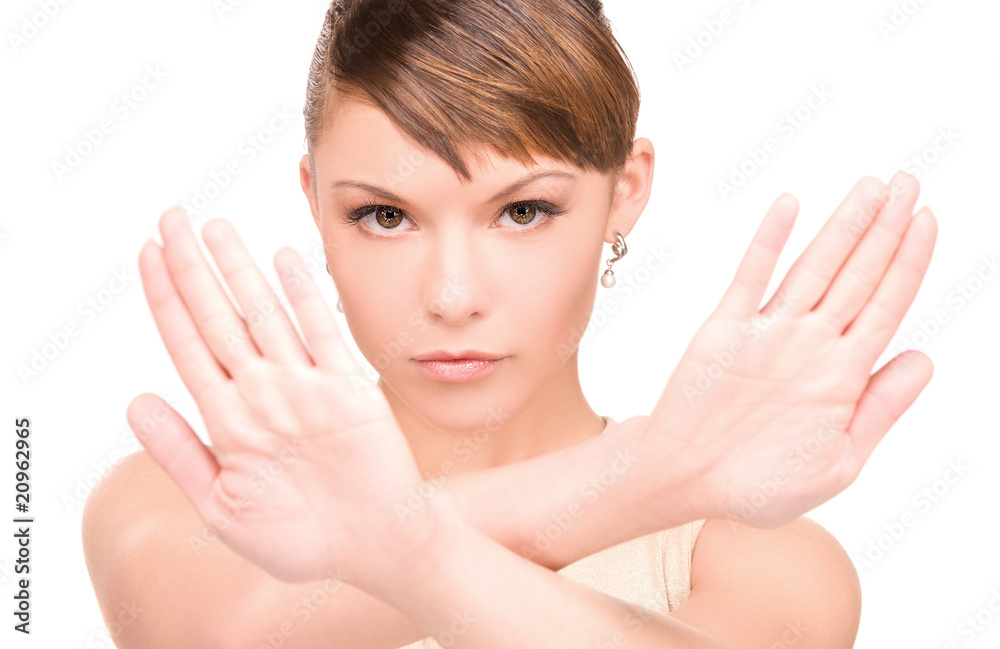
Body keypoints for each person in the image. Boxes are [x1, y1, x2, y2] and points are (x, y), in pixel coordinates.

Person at [81, 1, 938, 647]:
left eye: (523, 210)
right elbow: (220, 634)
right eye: (386, 216)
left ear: (626, 190)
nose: (453, 295)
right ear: (315, 201)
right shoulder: (184, 499)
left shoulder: (766, 567)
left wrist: (404, 542)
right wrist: (645, 475)